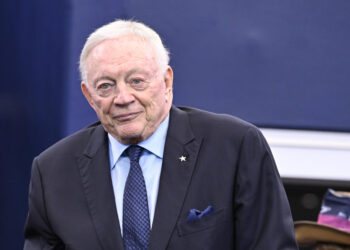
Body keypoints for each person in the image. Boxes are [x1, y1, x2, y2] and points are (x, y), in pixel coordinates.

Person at [24, 19, 298, 250]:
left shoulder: (234, 147)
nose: (123, 98)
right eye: (106, 86)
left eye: (136, 81)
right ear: (89, 96)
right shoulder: (53, 172)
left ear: (166, 82)